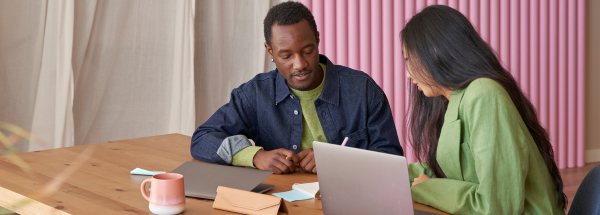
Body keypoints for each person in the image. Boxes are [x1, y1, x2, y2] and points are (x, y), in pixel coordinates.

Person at [191, 2, 402, 174]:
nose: (300, 64)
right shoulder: (255, 94)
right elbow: (203, 139)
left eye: (308, 51)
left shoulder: (363, 91)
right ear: (270, 51)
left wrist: (336, 161)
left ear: (318, 40)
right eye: (286, 56)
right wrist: (254, 156)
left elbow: (392, 160)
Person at [401, 5, 566, 214]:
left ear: (434, 51)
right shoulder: (456, 100)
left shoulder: (483, 94)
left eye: (408, 59)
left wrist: (426, 189)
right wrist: (394, 173)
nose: (408, 74)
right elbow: (451, 171)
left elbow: (497, 207)